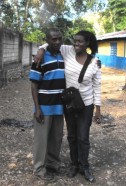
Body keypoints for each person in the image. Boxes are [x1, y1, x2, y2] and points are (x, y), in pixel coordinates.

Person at [35, 30, 101, 182]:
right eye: (75, 41)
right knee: (71, 136)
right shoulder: (68, 50)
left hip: (87, 105)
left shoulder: (94, 62)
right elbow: (51, 42)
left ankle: (85, 166)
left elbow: (97, 86)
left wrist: (98, 109)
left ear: (87, 44)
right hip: (70, 104)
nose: (76, 44)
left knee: (83, 137)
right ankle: (74, 165)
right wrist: (40, 50)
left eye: (80, 42)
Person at [29, 28, 66, 182]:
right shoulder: (40, 59)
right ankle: (38, 168)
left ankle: (52, 163)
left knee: (56, 137)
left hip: (59, 105)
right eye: (53, 39)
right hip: (44, 106)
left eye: (59, 39)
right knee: (41, 139)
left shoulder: (64, 55)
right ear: (47, 40)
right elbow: (33, 85)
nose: (57, 42)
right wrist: (37, 108)